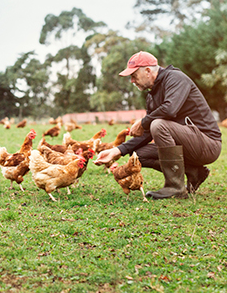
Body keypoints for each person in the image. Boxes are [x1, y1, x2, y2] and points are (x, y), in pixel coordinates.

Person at [95, 51, 222, 199]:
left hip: (207, 144)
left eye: (134, 75)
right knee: (139, 156)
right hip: (187, 143)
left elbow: (169, 109)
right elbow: (148, 132)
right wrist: (116, 150)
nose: (132, 81)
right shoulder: (152, 95)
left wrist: (143, 122)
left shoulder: (176, 78)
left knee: (158, 124)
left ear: (148, 71)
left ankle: (175, 187)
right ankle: (194, 172)